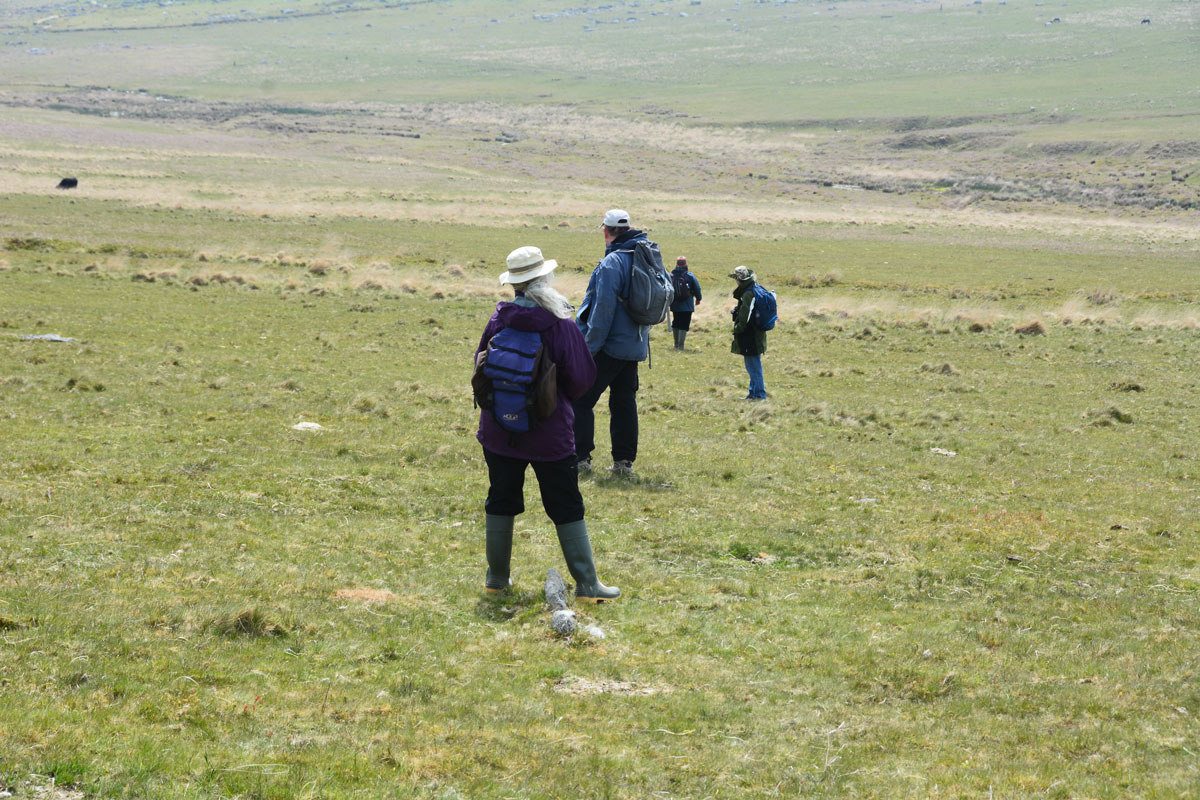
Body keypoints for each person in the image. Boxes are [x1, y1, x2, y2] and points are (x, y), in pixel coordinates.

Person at [474, 246, 620, 602]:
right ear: (544, 280)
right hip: (549, 434)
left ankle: (496, 581)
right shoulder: (560, 324)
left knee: (500, 499)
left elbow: (480, 368)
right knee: (565, 503)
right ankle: (587, 585)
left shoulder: (499, 320)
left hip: (498, 432)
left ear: (515, 285)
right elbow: (583, 377)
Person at [573, 208, 651, 476]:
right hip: (635, 345)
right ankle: (623, 463)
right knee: (624, 402)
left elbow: (602, 311)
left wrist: (588, 349)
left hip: (609, 347)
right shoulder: (645, 256)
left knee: (581, 399)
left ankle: (580, 458)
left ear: (606, 231)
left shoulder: (612, 263)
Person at [729, 265, 768, 400]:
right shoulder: (755, 289)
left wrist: (737, 328)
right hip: (754, 333)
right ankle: (753, 394)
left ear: (740, 280)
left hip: (750, 335)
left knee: (753, 366)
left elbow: (745, 316)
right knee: (752, 365)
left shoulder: (748, 293)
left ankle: (759, 395)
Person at [668, 255, 702, 350]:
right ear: (685, 263)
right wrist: (698, 299)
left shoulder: (671, 275)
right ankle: (681, 346)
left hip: (675, 304)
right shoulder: (689, 275)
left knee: (676, 322)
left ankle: (676, 344)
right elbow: (697, 288)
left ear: (677, 264)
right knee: (684, 324)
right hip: (687, 305)